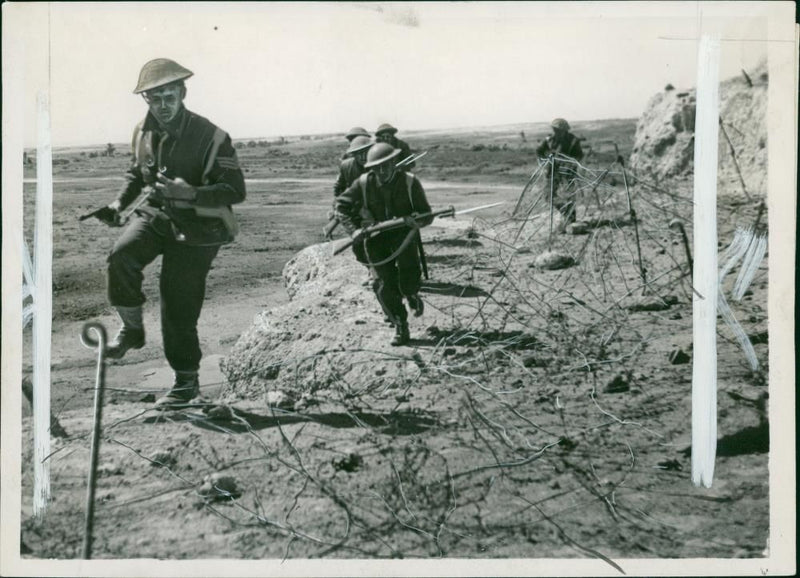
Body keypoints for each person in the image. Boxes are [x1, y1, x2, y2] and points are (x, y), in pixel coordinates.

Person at [99, 58, 246, 407]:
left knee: (176, 302)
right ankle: (132, 331)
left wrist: (190, 192)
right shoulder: (142, 131)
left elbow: (236, 190)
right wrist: (119, 204)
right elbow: (137, 173)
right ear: (146, 100)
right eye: (155, 98)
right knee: (122, 256)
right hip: (159, 216)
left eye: (170, 96)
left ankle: (185, 383)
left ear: (182, 93)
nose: (163, 104)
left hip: (202, 227)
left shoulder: (212, 136)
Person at [335, 142, 432, 346]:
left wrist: (418, 220)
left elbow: (426, 214)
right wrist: (354, 230)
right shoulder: (362, 183)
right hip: (375, 239)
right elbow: (341, 207)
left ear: (394, 162)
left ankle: (411, 294)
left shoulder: (409, 182)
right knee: (383, 284)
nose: (381, 171)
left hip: (403, 237)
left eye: (385, 165)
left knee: (408, 277)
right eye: (376, 167)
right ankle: (400, 324)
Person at [536, 118, 584, 226]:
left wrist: (571, 163)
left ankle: (571, 221)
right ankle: (565, 211)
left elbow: (579, 155)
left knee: (569, 195)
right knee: (548, 196)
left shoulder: (573, 140)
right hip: (552, 171)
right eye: (555, 129)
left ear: (565, 130)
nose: (556, 132)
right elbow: (539, 151)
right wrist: (544, 162)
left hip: (568, 172)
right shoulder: (549, 139)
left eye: (559, 130)